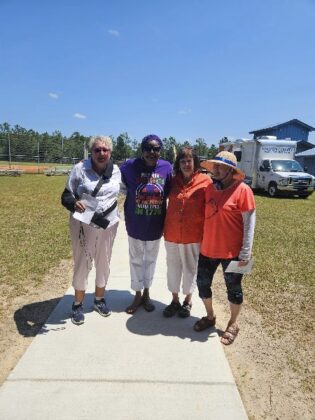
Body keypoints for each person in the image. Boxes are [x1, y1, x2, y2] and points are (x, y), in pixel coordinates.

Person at [194, 151, 256, 345]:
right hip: (208, 249)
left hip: (234, 253)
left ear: (230, 170)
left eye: (220, 167)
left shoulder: (243, 190)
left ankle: (233, 323)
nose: (215, 170)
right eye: (214, 167)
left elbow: (249, 223)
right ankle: (210, 316)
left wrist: (246, 252)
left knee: (234, 290)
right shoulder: (210, 189)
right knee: (202, 284)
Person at [61, 135, 121, 325]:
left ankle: (99, 300)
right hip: (83, 223)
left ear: (110, 152)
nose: (101, 153)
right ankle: (78, 303)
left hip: (108, 223)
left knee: (104, 261)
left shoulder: (117, 171)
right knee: (82, 261)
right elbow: (66, 195)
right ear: (91, 152)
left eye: (105, 150)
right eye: (97, 150)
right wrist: (73, 203)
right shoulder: (80, 169)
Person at [120, 134, 172, 314]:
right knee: (135, 260)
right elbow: (116, 182)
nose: (152, 152)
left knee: (150, 261)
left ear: (160, 151)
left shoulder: (167, 168)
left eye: (156, 149)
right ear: (142, 150)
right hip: (135, 223)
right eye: (148, 148)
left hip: (155, 225)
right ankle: (137, 294)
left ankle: (147, 293)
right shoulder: (129, 166)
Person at [163, 147, 211, 318]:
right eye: (182, 161)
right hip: (172, 234)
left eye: (189, 160)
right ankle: (174, 300)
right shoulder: (172, 181)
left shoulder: (205, 181)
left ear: (195, 162)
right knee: (173, 268)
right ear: (178, 164)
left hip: (193, 234)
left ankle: (188, 301)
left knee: (190, 268)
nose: (186, 164)